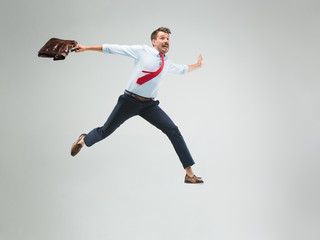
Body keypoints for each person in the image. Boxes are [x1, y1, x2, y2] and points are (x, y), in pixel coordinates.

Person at [71, 27, 204, 184]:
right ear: (154, 41)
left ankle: (189, 174)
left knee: (173, 130)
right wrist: (87, 48)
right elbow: (113, 49)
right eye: (162, 38)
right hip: (129, 101)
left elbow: (182, 70)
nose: (166, 41)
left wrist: (197, 65)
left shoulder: (166, 62)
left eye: (167, 38)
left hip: (149, 106)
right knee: (104, 131)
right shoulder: (142, 51)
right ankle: (83, 141)